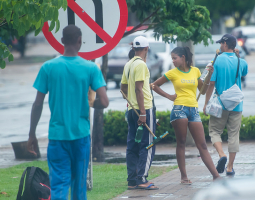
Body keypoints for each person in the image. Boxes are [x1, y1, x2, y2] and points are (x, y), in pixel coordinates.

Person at [27, 25, 109, 200]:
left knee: (58, 186)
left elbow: (37, 104)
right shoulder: (90, 68)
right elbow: (104, 101)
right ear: (80, 41)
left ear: (62, 41)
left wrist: (32, 134)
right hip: (81, 136)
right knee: (79, 188)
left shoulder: (48, 67)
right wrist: (89, 102)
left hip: (57, 137)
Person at [151, 46, 220, 183]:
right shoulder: (172, 73)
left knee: (202, 145)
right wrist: (169, 96)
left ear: (183, 58)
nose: (173, 61)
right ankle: (184, 177)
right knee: (181, 143)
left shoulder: (195, 71)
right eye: (172, 59)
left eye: (175, 58)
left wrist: (210, 75)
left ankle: (216, 176)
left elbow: (203, 90)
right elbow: (154, 85)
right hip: (179, 110)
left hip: (193, 110)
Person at [203, 34, 248, 176]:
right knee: (234, 135)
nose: (220, 46)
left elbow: (211, 84)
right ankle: (230, 167)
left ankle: (222, 154)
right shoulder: (242, 61)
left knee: (214, 132)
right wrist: (238, 58)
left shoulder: (216, 61)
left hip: (219, 105)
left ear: (225, 44)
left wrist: (206, 104)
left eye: (221, 43)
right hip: (236, 104)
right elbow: (244, 73)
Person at [120, 36, 158, 190]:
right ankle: (142, 179)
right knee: (147, 144)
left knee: (133, 145)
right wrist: (142, 113)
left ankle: (132, 180)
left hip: (131, 110)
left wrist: (131, 103)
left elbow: (123, 89)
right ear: (146, 49)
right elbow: (138, 88)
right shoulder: (141, 65)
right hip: (144, 110)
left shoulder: (128, 64)